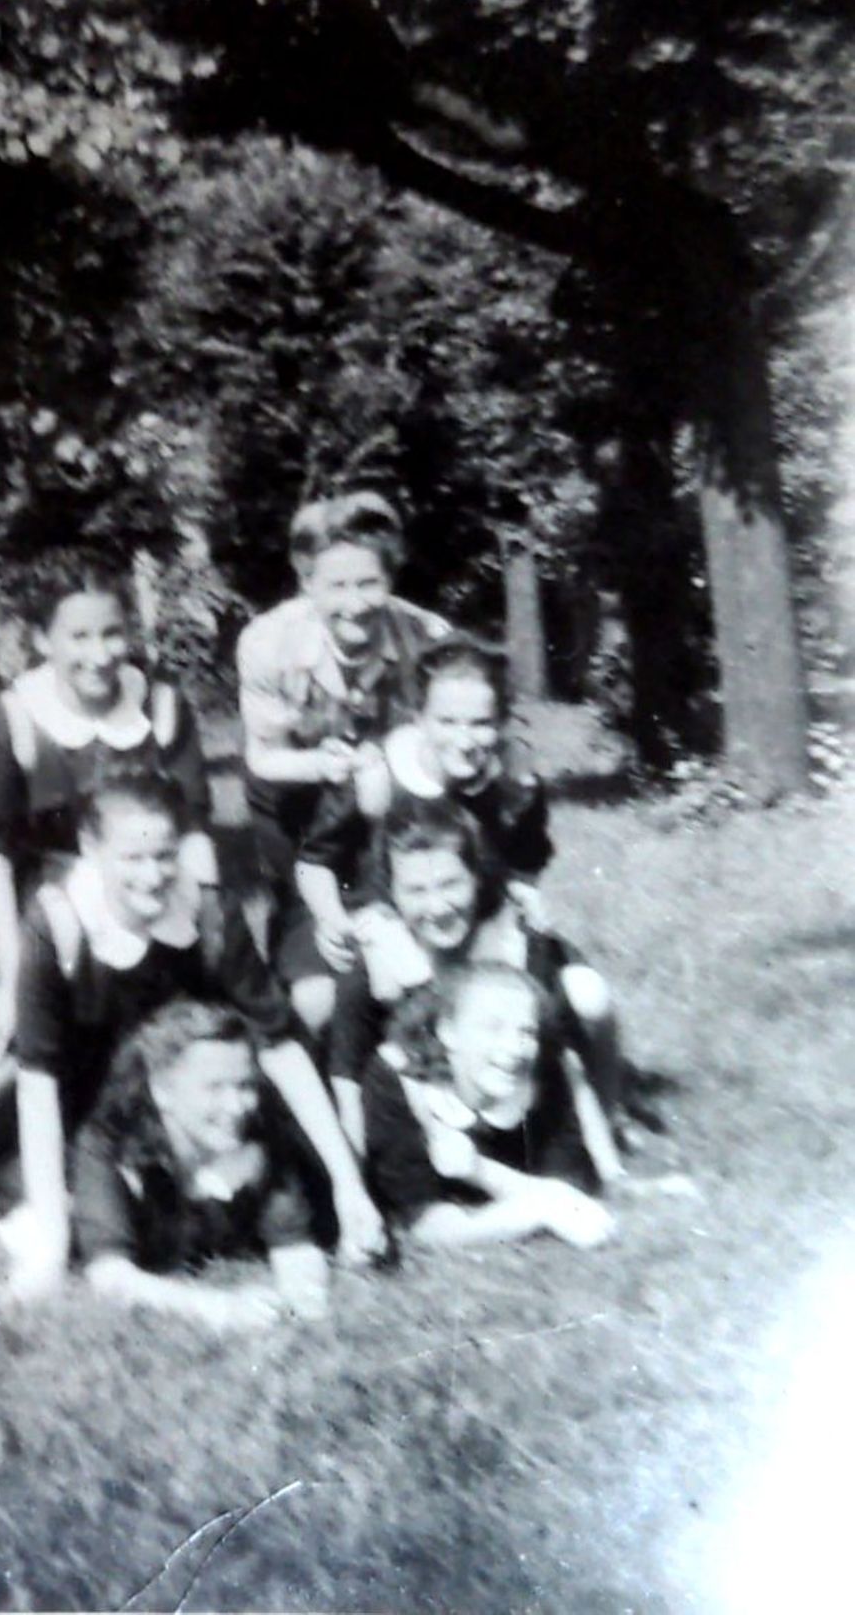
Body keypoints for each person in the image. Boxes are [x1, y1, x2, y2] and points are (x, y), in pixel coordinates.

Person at [1, 773, 385, 1298]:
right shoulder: (59, 923)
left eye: (164, 855)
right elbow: (38, 1077)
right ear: (90, 848)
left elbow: (280, 1043)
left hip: (194, 1101)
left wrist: (348, 1182)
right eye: (132, 859)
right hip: (89, 1111)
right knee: (69, 1233)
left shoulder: (208, 915)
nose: (152, 875)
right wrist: (49, 1240)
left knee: (314, 1195)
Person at [0, 562, 218, 1222]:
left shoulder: (163, 707)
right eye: (79, 637)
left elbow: (196, 835)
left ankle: (127, 1152)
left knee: (182, 1035)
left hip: (150, 904)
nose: (100, 654)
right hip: (45, 919)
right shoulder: (14, 717)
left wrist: (208, 928)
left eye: (113, 634)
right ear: (42, 640)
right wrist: (11, 981)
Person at [236, 492, 449, 1035]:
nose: (354, 603)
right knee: (317, 992)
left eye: (369, 583)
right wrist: (320, 765)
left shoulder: (430, 640)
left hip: (397, 815)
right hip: (299, 809)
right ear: (307, 584)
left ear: (391, 579)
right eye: (336, 586)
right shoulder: (267, 643)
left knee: (424, 968)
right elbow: (263, 759)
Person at [325, 798, 621, 1185]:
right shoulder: (380, 953)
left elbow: (563, 1061)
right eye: (416, 891)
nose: (438, 906)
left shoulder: (513, 937)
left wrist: (609, 1167)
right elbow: (346, 1076)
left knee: (586, 993)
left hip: (511, 1099)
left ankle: (611, 1125)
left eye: (451, 883)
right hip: (426, 1107)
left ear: (477, 876)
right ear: (391, 894)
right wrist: (354, 1185)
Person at [70, 1000, 331, 1331]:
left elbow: (294, 1245)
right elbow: (108, 1276)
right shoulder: (107, 1142)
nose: (237, 1106)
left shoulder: (259, 1132)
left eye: (245, 1085)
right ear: (162, 1090)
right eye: (215, 1088)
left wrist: (302, 1300)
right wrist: (215, 1307)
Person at [296, 635, 551, 960]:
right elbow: (313, 862)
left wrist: (524, 893)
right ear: (419, 717)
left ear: (501, 723)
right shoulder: (378, 775)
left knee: (582, 994)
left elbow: (526, 864)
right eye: (447, 722)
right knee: (326, 999)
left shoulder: (515, 786)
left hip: (474, 923)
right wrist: (331, 920)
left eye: (480, 723)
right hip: (381, 922)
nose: (464, 741)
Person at [362, 963, 616, 1250]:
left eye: (527, 1032)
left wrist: (477, 1170)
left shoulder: (543, 1077)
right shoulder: (401, 1084)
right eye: (493, 1028)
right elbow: (426, 1225)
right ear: (448, 1032)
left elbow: (574, 1200)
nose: (514, 1048)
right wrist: (536, 1211)